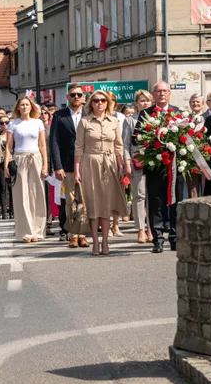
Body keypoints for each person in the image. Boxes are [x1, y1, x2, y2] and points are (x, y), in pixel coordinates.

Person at [75, 89, 129, 255]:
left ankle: (105, 241)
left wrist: (121, 167)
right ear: (91, 103)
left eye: (103, 100)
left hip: (110, 163)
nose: (99, 103)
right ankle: (95, 242)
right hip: (90, 163)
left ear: (108, 103)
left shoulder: (114, 122)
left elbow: (119, 146)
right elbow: (78, 147)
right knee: (93, 204)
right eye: (96, 100)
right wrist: (77, 170)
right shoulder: (84, 122)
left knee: (105, 204)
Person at [138, 81, 182, 253]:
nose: (162, 94)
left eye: (165, 91)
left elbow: (187, 135)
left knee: (176, 201)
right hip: (155, 166)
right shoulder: (146, 114)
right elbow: (137, 137)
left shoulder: (177, 112)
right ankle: (157, 238)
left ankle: (175, 236)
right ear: (153, 94)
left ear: (169, 93)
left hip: (175, 166)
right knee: (156, 202)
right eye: (158, 91)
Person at [49, 87, 89, 248]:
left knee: (84, 202)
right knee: (70, 201)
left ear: (84, 97)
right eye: (73, 95)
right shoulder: (59, 116)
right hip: (67, 166)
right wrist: (57, 166)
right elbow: (54, 142)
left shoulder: (89, 115)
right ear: (68, 97)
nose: (76, 97)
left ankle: (82, 234)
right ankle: (73, 234)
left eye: (79, 94)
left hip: (87, 165)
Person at [5, 96, 48, 243]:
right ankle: (25, 231)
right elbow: (9, 147)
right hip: (19, 159)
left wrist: (45, 165)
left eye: (27, 105)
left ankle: (37, 230)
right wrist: (6, 165)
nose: (24, 107)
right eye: (22, 105)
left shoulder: (38, 123)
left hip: (35, 157)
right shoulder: (13, 124)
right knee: (21, 195)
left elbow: (42, 145)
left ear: (31, 107)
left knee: (37, 194)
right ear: (18, 107)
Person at [123, 90, 153, 243]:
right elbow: (126, 144)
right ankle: (140, 229)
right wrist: (127, 163)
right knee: (139, 196)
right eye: (142, 100)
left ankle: (151, 228)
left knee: (152, 196)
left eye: (148, 100)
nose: (145, 103)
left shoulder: (155, 119)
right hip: (137, 160)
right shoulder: (130, 120)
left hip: (154, 160)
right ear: (136, 103)